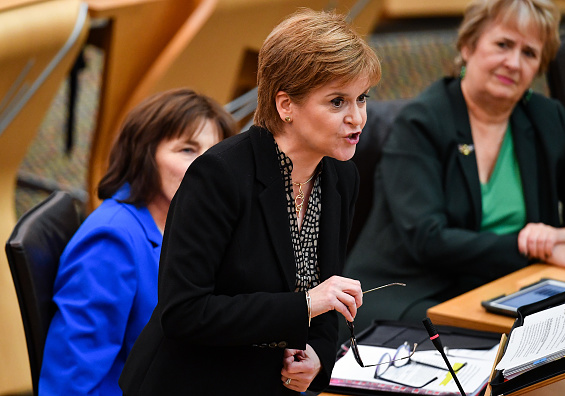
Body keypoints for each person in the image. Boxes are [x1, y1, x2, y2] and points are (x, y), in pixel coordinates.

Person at [119, 8, 381, 396]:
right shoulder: (219, 176)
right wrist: (305, 304)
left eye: (362, 98)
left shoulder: (341, 176)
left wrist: (319, 356)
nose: (357, 118)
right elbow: (184, 314)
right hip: (191, 382)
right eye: (337, 102)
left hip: (274, 383)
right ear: (285, 105)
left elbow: (326, 293)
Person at [344, 0, 565, 333]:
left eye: (529, 53)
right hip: (413, 291)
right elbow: (428, 240)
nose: (514, 63)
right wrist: (533, 250)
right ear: (468, 45)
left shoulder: (547, 119)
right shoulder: (421, 123)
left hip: (510, 288)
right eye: (503, 45)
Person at [39, 88, 238, 395]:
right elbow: (70, 384)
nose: (206, 168)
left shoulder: (190, 229)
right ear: (145, 155)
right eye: (187, 150)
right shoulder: (112, 241)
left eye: (214, 154)